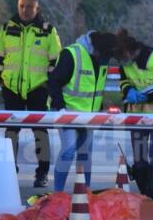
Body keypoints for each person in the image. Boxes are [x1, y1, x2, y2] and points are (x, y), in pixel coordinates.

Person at [0, 0, 62, 187]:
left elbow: (56, 59)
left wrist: (48, 83)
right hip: (11, 88)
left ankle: (42, 173)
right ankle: (9, 170)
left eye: (29, 6)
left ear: (37, 8)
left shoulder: (48, 31)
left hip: (37, 88)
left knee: (40, 131)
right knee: (11, 131)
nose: (25, 10)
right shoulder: (7, 28)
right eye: (22, 6)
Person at [48, 30, 118, 192]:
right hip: (67, 113)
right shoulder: (71, 54)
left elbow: (94, 89)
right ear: (97, 49)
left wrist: (103, 107)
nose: (107, 60)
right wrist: (60, 108)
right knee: (68, 150)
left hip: (90, 116)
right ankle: (58, 193)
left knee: (85, 153)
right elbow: (54, 83)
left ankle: (86, 191)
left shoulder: (102, 58)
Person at [116, 28, 153, 200]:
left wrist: (148, 96)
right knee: (140, 161)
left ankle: (150, 197)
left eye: (122, 58)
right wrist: (128, 91)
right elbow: (123, 81)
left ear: (129, 52)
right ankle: (144, 196)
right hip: (137, 117)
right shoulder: (125, 63)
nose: (122, 63)